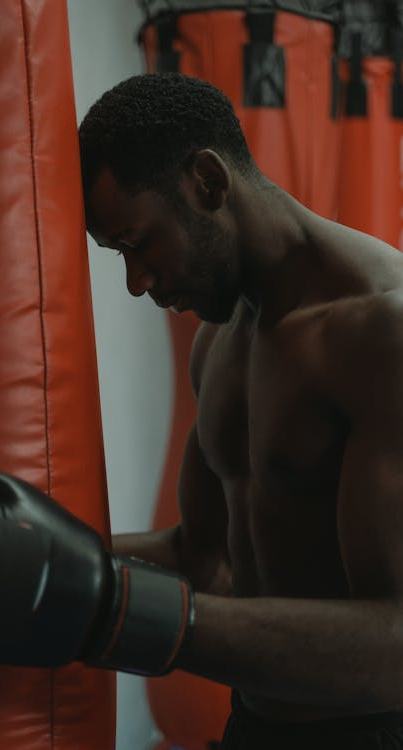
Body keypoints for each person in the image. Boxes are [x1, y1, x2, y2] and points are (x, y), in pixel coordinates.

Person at [77, 72, 403, 748]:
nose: (136, 283)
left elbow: (396, 644)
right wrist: (45, 558)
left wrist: (117, 610)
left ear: (207, 180)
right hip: (252, 726)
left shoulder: (380, 331)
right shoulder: (218, 341)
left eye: (137, 242)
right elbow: (200, 555)